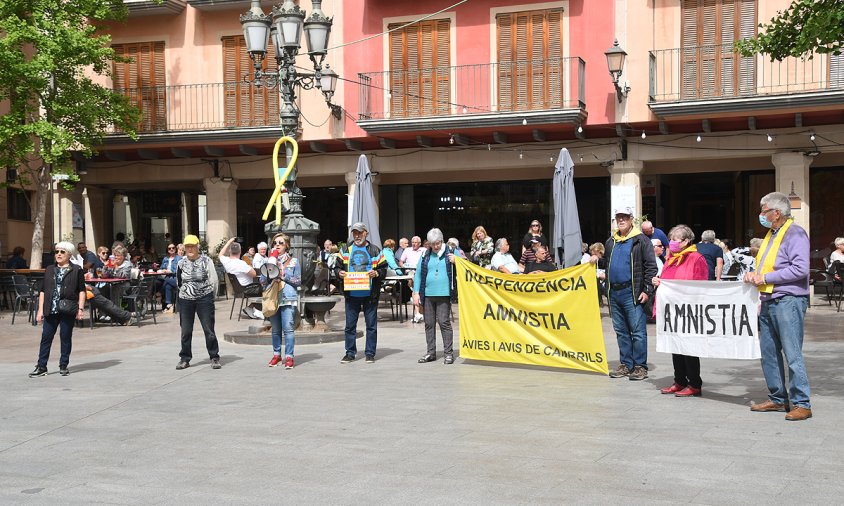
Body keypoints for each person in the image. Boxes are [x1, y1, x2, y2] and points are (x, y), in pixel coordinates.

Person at [745, 192, 812, 421]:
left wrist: (765, 278)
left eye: (764, 210)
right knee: (769, 354)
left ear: (777, 213)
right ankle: (777, 398)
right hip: (768, 300)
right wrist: (754, 276)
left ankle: (802, 403)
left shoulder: (795, 233)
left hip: (788, 300)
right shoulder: (771, 234)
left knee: (792, 353)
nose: (761, 215)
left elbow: (800, 269)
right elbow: (767, 267)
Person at [651, 225, 709, 397]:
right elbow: (667, 280)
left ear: (686, 241)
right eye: (671, 239)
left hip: (689, 309)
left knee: (689, 348)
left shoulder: (696, 258)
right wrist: (659, 282)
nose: (672, 242)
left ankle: (694, 384)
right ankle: (680, 381)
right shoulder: (671, 258)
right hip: (672, 310)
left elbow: (700, 285)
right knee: (675, 346)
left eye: (676, 239)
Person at [605, 207, 658, 381]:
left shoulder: (641, 240)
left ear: (631, 219)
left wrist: (647, 290)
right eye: (618, 217)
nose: (621, 220)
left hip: (632, 292)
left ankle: (640, 366)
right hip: (614, 292)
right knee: (621, 331)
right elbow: (607, 265)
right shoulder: (611, 241)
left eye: (624, 217)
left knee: (637, 332)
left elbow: (651, 267)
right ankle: (626, 364)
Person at [28, 242, 86, 377]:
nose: (58, 254)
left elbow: (81, 291)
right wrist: (40, 310)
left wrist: (81, 309)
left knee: (65, 337)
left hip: (67, 309)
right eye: (57, 252)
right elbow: (43, 291)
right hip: (50, 309)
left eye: (62, 252)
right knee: (46, 338)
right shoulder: (49, 269)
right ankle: (42, 366)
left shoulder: (76, 270)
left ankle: (63, 365)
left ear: (69, 254)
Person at [334, 222, 386, 364]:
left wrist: (376, 273)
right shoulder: (345, 250)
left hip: (370, 295)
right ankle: (350, 353)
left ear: (366, 233)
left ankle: (370, 353)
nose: (357, 235)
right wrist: (340, 272)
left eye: (359, 232)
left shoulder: (375, 250)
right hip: (351, 295)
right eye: (354, 233)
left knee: (371, 326)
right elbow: (336, 267)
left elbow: (384, 269)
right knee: (350, 326)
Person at [175, 234, 221, 370]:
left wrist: (210, 297)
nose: (189, 249)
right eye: (187, 246)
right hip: (185, 299)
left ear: (197, 247)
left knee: (209, 329)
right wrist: (185, 292)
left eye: (192, 246)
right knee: (186, 330)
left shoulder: (206, 261)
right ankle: (185, 358)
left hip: (204, 298)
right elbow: (179, 281)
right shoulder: (181, 263)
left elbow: (214, 280)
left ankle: (214, 356)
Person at [413, 228, 457, 364]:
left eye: (438, 243)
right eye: (433, 244)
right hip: (428, 294)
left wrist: (457, 261)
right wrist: (416, 293)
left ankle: (448, 353)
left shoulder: (451, 252)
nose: (436, 246)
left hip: (444, 293)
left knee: (444, 322)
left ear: (442, 241)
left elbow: (465, 265)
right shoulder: (425, 255)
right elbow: (418, 274)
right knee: (429, 324)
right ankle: (430, 352)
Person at [264, 233, 301, 369]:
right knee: (275, 330)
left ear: (287, 246)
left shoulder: (294, 262)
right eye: (275, 243)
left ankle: (289, 357)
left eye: (281, 243)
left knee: (288, 329)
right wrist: (269, 274)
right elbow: (262, 280)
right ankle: (277, 355)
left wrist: (283, 276)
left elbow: (298, 281)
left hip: (288, 298)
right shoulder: (268, 261)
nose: (277, 245)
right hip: (273, 298)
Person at [219, 237, 262, 319]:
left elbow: (220, 254)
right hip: (247, 289)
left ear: (230, 251)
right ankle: (253, 308)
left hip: (237, 289)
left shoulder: (226, 261)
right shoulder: (241, 264)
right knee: (267, 289)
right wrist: (249, 266)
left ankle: (251, 308)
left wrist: (229, 242)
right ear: (240, 251)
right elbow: (254, 274)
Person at [400, 235, 426, 323]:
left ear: (419, 244)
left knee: (418, 291)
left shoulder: (424, 250)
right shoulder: (407, 250)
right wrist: (403, 267)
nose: (414, 244)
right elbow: (401, 262)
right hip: (410, 273)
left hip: (421, 273)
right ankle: (418, 312)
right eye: (413, 242)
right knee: (416, 289)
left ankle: (419, 312)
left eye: (416, 243)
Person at [158, 243, 182, 312]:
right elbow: (161, 267)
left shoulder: (179, 258)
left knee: (167, 279)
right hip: (168, 278)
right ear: (167, 250)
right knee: (168, 286)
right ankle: (169, 305)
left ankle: (159, 293)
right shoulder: (165, 259)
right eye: (169, 248)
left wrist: (171, 271)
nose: (171, 249)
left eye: (173, 248)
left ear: (175, 249)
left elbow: (180, 270)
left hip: (177, 278)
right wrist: (163, 270)